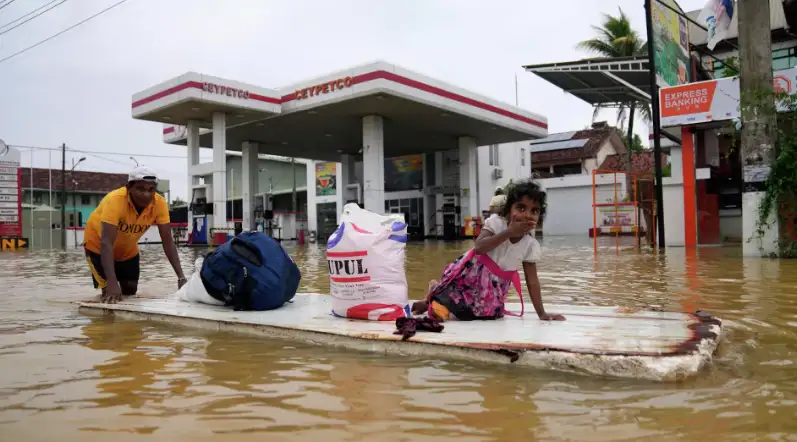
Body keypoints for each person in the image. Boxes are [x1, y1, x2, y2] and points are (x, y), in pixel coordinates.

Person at [414, 179, 564, 322]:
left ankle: (435, 296)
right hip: (470, 276)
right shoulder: (497, 223)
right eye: (521, 208)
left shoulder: (530, 245)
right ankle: (432, 297)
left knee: (488, 315)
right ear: (508, 211)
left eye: (534, 211)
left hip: (493, 288)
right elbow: (479, 247)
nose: (527, 215)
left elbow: (532, 281)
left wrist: (542, 313)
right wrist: (509, 232)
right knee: (445, 306)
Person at [83, 166, 186, 303]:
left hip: (127, 250)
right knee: (110, 293)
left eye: (151, 190)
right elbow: (106, 242)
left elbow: (167, 241)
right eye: (140, 189)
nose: (146, 194)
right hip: (97, 247)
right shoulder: (115, 200)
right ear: (129, 187)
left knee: (130, 291)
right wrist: (111, 282)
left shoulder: (159, 203)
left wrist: (181, 277)